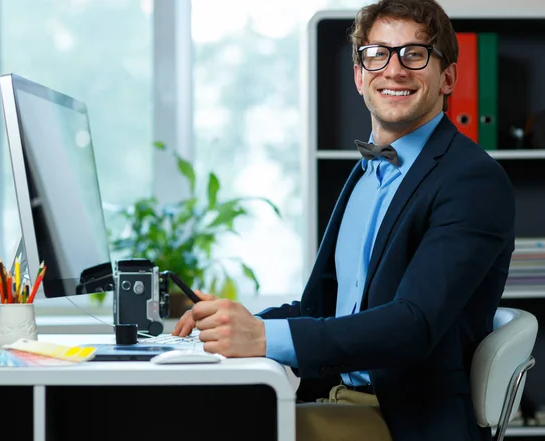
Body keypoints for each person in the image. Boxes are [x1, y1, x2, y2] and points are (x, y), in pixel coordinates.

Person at [173, 1, 515, 440]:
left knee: (208, 424)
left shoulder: (471, 179)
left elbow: (413, 324)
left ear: (447, 77)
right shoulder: (363, 176)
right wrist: (228, 325)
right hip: (336, 401)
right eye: (378, 54)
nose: (394, 70)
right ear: (359, 75)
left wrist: (261, 337)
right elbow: (322, 311)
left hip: (401, 421)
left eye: (415, 54)